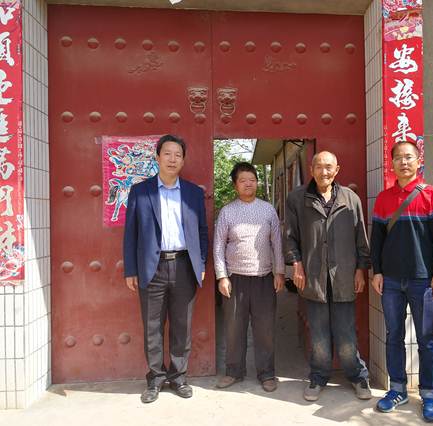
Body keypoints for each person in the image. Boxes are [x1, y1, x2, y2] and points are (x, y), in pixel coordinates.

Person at [370, 141, 433, 423]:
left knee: (426, 341)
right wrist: (377, 271)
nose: (403, 162)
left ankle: (429, 395)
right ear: (391, 164)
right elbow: (377, 240)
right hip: (391, 281)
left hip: (423, 282)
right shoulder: (384, 198)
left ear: (419, 161)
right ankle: (397, 390)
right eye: (398, 158)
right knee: (394, 336)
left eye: (409, 157)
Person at [123, 134, 208, 404]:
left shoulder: (193, 193)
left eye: (178, 155)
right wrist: (130, 270)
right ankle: (156, 379)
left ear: (183, 160)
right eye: (167, 154)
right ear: (157, 157)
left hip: (184, 266)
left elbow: (202, 231)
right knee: (153, 327)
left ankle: (179, 377)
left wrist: (201, 262)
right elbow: (130, 233)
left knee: (182, 326)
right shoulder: (140, 191)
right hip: (152, 268)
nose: (172, 159)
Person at [284, 151, 372, 402]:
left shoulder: (350, 198)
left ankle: (357, 376)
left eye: (329, 167)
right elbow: (290, 236)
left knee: (346, 334)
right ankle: (319, 376)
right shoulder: (297, 198)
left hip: (343, 275)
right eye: (319, 167)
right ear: (311, 169)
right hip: (313, 276)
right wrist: (296, 265)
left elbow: (361, 237)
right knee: (319, 335)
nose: (324, 172)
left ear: (337, 170)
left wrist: (361, 270)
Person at [213, 162, 285, 392]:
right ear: (235, 185)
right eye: (243, 180)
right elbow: (218, 246)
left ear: (257, 183)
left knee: (265, 330)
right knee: (234, 328)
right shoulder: (227, 212)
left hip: (264, 278)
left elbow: (277, 243)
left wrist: (280, 272)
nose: (248, 184)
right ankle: (233, 371)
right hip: (235, 279)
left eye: (252, 180)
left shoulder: (268, 210)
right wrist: (222, 276)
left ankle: (267, 374)